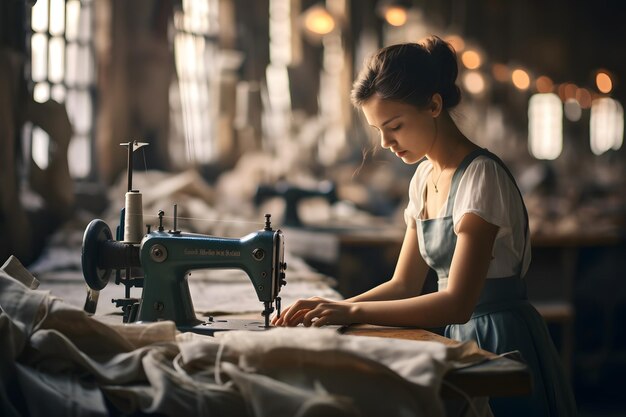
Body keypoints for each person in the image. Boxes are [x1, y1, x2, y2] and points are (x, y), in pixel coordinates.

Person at [272, 36, 577, 416]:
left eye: (395, 125)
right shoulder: (423, 179)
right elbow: (404, 284)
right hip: (457, 338)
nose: (385, 142)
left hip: (498, 338)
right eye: (378, 129)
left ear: (433, 105)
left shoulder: (481, 177)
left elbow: (458, 302)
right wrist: (334, 307)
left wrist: (351, 314)